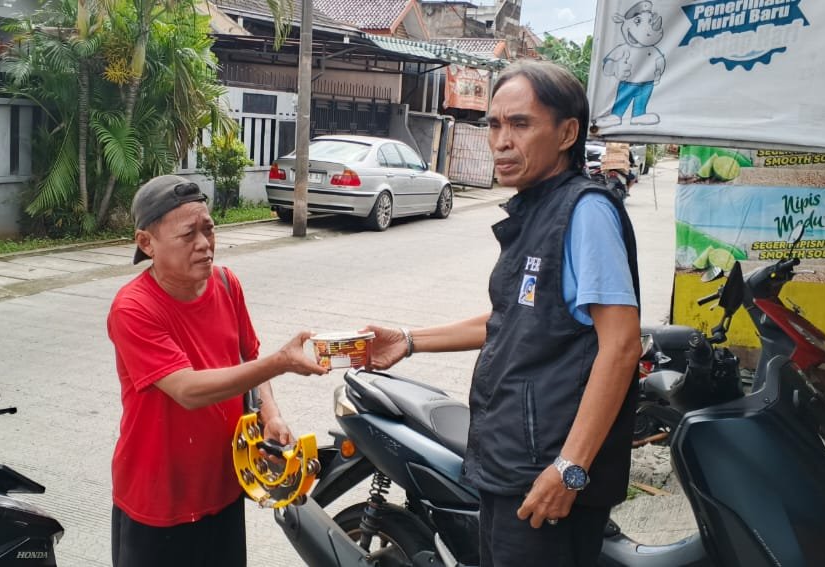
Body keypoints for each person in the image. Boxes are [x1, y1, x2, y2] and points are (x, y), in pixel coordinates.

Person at [363, 60, 642, 566]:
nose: (501, 141)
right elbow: (512, 320)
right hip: (509, 466)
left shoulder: (586, 211)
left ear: (567, 133)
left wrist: (570, 467)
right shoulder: (538, 208)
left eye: (520, 124)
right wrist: (408, 339)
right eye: (494, 125)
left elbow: (621, 346)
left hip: (547, 474)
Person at [106, 175, 326, 567]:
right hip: (157, 501)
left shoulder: (226, 283)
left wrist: (271, 414)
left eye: (208, 229)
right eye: (188, 234)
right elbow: (187, 390)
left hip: (224, 488)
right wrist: (281, 362)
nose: (205, 244)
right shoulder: (133, 308)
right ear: (146, 243)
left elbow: (248, 358)